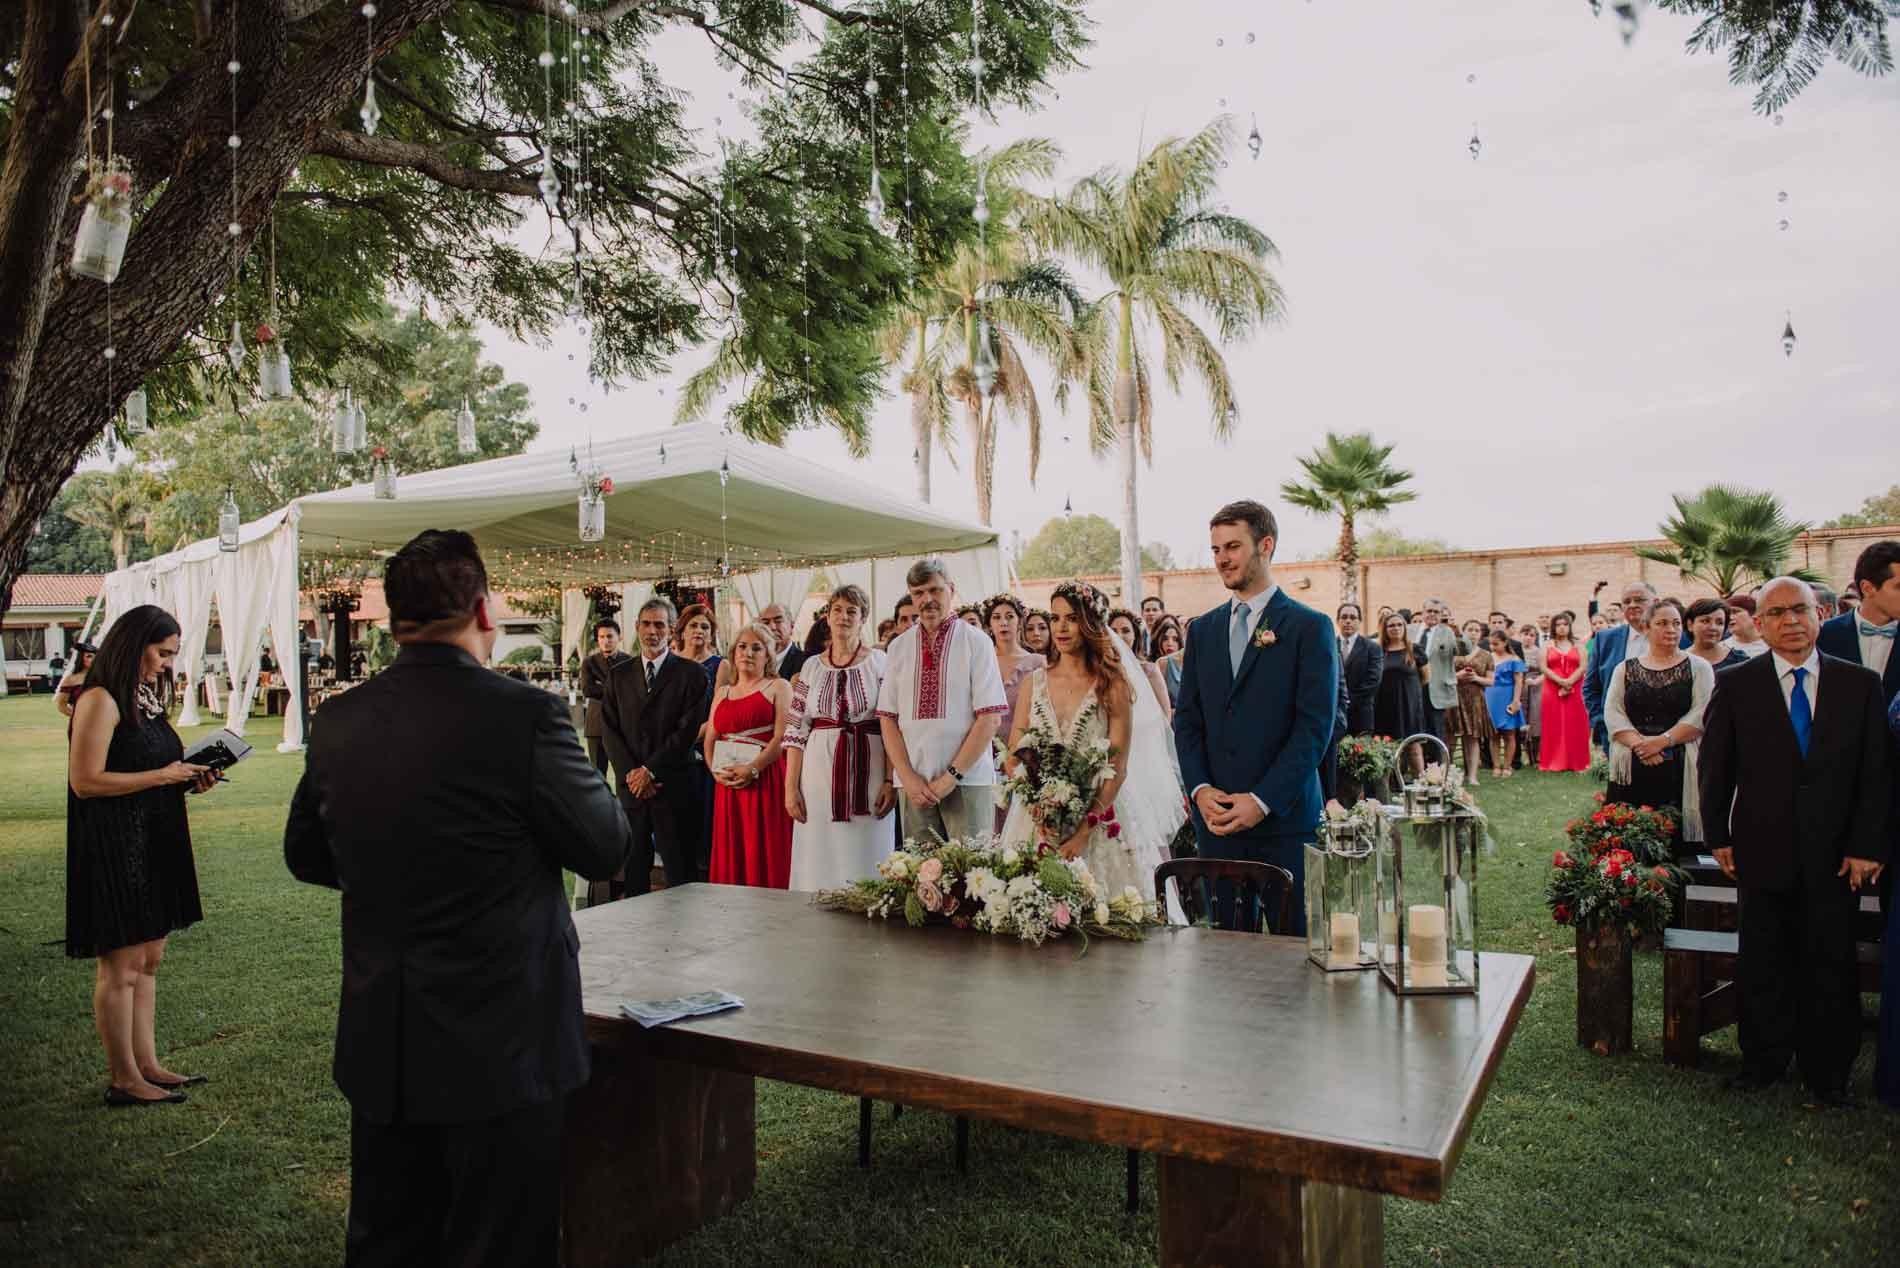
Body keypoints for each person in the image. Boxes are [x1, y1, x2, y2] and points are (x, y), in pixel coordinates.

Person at [284, 529, 629, 1266]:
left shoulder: (340, 720)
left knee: (386, 1240)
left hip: (388, 1035)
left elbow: (306, 853)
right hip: (503, 1040)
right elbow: (605, 846)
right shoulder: (526, 716)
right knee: (500, 1243)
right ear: (483, 609)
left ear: (394, 620)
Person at [1699, 577, 1889, 1106]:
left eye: (1799, 610)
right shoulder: (1737, 683)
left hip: (1836, 855)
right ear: (1759, 624)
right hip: (1761, 847)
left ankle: (1828, 1071)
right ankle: (1762, 1060)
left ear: (1820, 615)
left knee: (1830, 959)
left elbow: (1876, 772)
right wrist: (1718, 836)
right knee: (1764, 957)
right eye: (1777, 613)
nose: (1790, 622)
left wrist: (1866, 845)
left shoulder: (1860, 685)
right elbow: (1716, 768)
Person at [67, 605, 218, 1108]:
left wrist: (190, 778)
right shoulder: (100, 699)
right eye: (161, 652)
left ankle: (148, 1063)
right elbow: (85, 782)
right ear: (134, 644)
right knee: (122, 966)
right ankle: (123, 1078)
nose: (166, 663)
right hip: (117, 844)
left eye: (172, 654)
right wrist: (163, 776)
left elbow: (152, 764)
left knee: (149, 960)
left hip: (156, 837)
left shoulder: (146, 698)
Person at [1173, 500, 1335, 935]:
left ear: (1266, 545)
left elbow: (1314, 728)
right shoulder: (1202, 631)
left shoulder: (1309, 627)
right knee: (1226, 964)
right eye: (1215, 549)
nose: (1222, 558)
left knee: (1294, 958)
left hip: (1285, 823)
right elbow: (1187, 721)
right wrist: (1201, 788)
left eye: (1232, 546)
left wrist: (1261, 800)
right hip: (1218, 825)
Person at [1000, 581, 1186, 922]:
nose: (1061, 628)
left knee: (1112, 921)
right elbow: (1014, 757)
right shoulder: (1033, 683)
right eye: (1055, 619)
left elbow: (1118, 766)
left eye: (1071, 618)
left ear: (1089, 623)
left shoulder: (1112, 685)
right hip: (1036, 821)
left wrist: (1084, 830)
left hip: (1101, 818)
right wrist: (1037, 807)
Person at [1822, 543, 1900, 1107]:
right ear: (1867, 587)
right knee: (1829, 932)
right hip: (1831, 812)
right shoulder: (1824, 638)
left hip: (1895, 809)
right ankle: (1829, 1045)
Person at [876, 559, 1011, 842]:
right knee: (921, 877)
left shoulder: (977, 642)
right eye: (918, 593)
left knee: (974, 877)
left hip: (968, 780)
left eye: (935, 590)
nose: (927, 600)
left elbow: (990, 718)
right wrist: (907, 777)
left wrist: (950, 777)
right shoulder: (899, 647)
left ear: (951, 589)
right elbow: (887, 718)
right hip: (914, 786)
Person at [596, 597, 712, 898]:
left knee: (679, 873)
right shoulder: (617, 675)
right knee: (633, 870)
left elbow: (686, 732)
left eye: (659, 624)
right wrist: (633, 775)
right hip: (631, 790)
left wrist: (650, 770)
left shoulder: (693, 675)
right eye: (646, 624)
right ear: (636, 627)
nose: (652, 631)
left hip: (672, 787)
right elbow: (610, 731)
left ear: (672, 629)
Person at [785, 585, 894, 890]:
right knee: (819, 848)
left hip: (868, 768)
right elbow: (796, 728)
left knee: (865, 846)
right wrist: (790, 787)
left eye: (852, 611)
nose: (843, 617)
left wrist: (890, 780)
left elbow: (890, 727)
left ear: (863, 618)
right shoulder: (810, 666)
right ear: (827, 617)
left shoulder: (880, 663)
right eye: (837, 610)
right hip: (818, 772)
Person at [1602, 598, 1713, 852]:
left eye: (1676, 623)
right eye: (1662, 623)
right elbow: (1613, 711)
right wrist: (1642, 746)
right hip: (1633, 762)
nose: (1671, 629)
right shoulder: (1625, 669)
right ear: (1646, 627)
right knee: (1630, 837)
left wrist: (1661, 742)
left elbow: (1702, 712)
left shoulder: (1699, 667)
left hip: (1680, 762)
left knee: (1678, 841)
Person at [705, 624, 794, 888]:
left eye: (757, 647)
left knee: (765, 844)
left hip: (766, 779)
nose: (748, 653)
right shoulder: (722, 692)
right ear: (733, 653)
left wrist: (753, 769)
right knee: (732, 847)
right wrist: (715, 772)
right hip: (728, 784)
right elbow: (710, 738)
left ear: (768, 655)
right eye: (742, 646)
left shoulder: (779, 686)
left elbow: (782, 737)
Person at [1583, 580, 1657, 750]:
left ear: (1656, 603)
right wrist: (1600, 720)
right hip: (1616, 734)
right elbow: (1591, 686)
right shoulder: (1606, 639)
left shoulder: (1676, 638)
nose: (1632, 605)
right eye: (1627, 601)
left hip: (1662, 736)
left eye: (1639, 600)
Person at [983, 593, 1047, 727]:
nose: (1003, 623)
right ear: (989, 625)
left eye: (1010, 617)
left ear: (1020, 623)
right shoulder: (981, 661)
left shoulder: (1038, 663)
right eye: (996, 618)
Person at [1538, 611, 1590, 771]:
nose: (1561, 628)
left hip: (1575, 688)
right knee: (1553, 724)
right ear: (1554, 627)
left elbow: (1583, 666)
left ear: (1570, 626)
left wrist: (1569, 682)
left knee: (1576, 723)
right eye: (1558, 625)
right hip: (1552, 688)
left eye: (1565, 624)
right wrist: (1560, 681)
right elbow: (1543, 667)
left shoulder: (1578, 645)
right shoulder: (1547, 645)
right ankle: (1552, 761)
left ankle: (1578, 762)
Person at [1448, 619, 1496, 784]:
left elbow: (1491, 681)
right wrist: (1458, 676)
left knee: (1472, 738)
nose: (1473, 633)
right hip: (1454, 696)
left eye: (1477, 630)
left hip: (1475, 698)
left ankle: (1472, 775)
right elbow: (1443, 675)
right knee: (1451, 736)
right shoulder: (1454, 651)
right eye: (1470, 629)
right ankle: (1447, 773)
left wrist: (1476, 677)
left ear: (1481, 634)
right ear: (1463, 631)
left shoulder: (1486, 655)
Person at [579, 619, 629, 776]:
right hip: (596, 725)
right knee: (597, 774)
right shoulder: (589, 662)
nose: (605, 641)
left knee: (626, 772)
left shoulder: (629, 661)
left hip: (623, 725)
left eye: (609, 636)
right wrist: (616, 689)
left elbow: (632, 690)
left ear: (619, 637)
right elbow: (588, 690)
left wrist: (602, 685)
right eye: (601, 637)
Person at [1108, 607, 1171, 717]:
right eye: (1113, 631)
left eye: (1126, 631)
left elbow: (1165, 715)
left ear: (1135, 636)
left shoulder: (1149, 670)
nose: (1119, 636)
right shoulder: (1099, 669)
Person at [1373, 612, 1424, 745]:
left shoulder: (1414, 649)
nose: (1396, 628)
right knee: (1387, 744)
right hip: (1385, 704)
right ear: (1385, 629)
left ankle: (1417, 767)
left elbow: (1426, 677)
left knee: (1413, 745)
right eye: (1391, 626)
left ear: (1405, 627)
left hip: (1409, 704)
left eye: (1399, 625)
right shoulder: (1379, 650)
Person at [1416, 599, 1460, 744]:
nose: (1432, 614)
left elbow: (1464, 650)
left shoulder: (1448, 632)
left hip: (1435, 689)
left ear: (1441, 615)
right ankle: (1413, 765)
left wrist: (1458, 633)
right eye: (1429, 611)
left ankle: (1437, 765)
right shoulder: (1410, 629)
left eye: (1436, 612)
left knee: (1435, 729)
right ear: (1423, 612)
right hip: (1412, 686)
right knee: (1412, 727)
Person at [1483, 628, 1525, 777]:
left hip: (1507, 695)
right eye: (1491, 644)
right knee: (1493, 734)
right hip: (1490, 696)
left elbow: (1519, 682)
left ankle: (1507, 766)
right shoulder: (1488, 657)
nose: (1493, 647)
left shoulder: (1514, 660)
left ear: (1505, 642)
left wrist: (1515, 701)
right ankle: (1496, 765)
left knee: (1509, 733)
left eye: (1496, 644)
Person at [1337, 602, 1383, 735]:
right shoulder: (1329, 645)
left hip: (1361, 713)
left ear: (1359, 621)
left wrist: (1347, 700)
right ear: (1338, 620)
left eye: (1352, 618)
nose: (1348, 621)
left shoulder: (1372, 648)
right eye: (1344, 617)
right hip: (1335, 713)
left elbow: (1373, 680)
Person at [1685, 598, 1748, 670]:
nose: (1713, 627)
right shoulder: (1678, 662)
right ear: (1690, 625)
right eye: (1705, 621)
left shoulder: (1739, 660)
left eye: (1720, 623)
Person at [1517, 623, 1544, 767]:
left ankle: (1535, 753)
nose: (1528, 638)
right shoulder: (1515, 650)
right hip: (1518, 686)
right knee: (1521, 717)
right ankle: (1523, 752)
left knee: (1535, 719)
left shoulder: (1539, 652)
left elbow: (1544, 671)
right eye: (1525, 634)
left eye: (1532, 635)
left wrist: (1535, 681)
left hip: (1535, 687)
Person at [758, 602, 808, 680]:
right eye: (766, 623)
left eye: (778, 621)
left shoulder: (806, 663)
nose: (772, 627)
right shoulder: (754, 661)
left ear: (791, 626)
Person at [55, 640, 97, 719]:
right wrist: (78, 716)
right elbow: (61, 706)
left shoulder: (103, 678)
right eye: (89, 656)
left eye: (95, 656)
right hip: (80, 723)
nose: (93, 659)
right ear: (81, 658)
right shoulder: (71, 679)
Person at [1152, 615, 1187, 707]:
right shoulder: (1159, 664)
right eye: (1165, 639)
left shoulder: (1187, 663)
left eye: (1175, 639)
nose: (1170, 643)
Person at [1721, 594, 1768, 660]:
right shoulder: (1722, 648)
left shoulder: (1773, 645)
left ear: (1754, 615)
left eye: (1735, 612)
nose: (1730, 617)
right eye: (1727, 613)